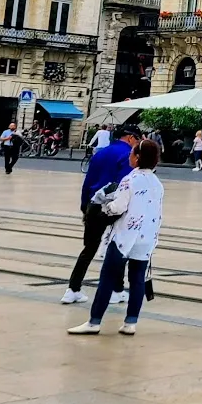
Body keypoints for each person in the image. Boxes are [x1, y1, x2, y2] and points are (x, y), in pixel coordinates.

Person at [68, 139, 165, 336]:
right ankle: (130, 322)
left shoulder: (130, 180)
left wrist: (104, 206)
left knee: (108, 277)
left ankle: (94, 321)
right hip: (146, 237)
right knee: (137, 279)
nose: (129, 156)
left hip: (125, 236)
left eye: (132, 153)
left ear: (138, 157)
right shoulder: (157, 183)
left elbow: (118, 207)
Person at [62, 125, 140, 305]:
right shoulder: (128, 155)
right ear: (130, 138)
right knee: (118, 247)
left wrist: (85, 206)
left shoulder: (101, 153)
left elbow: (88, 181)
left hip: (93, 204)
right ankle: (115, 290)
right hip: (112, 208)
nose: (138, 144)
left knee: (89, 249)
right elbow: (124, 185)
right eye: (137, 139)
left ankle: (72, 289)